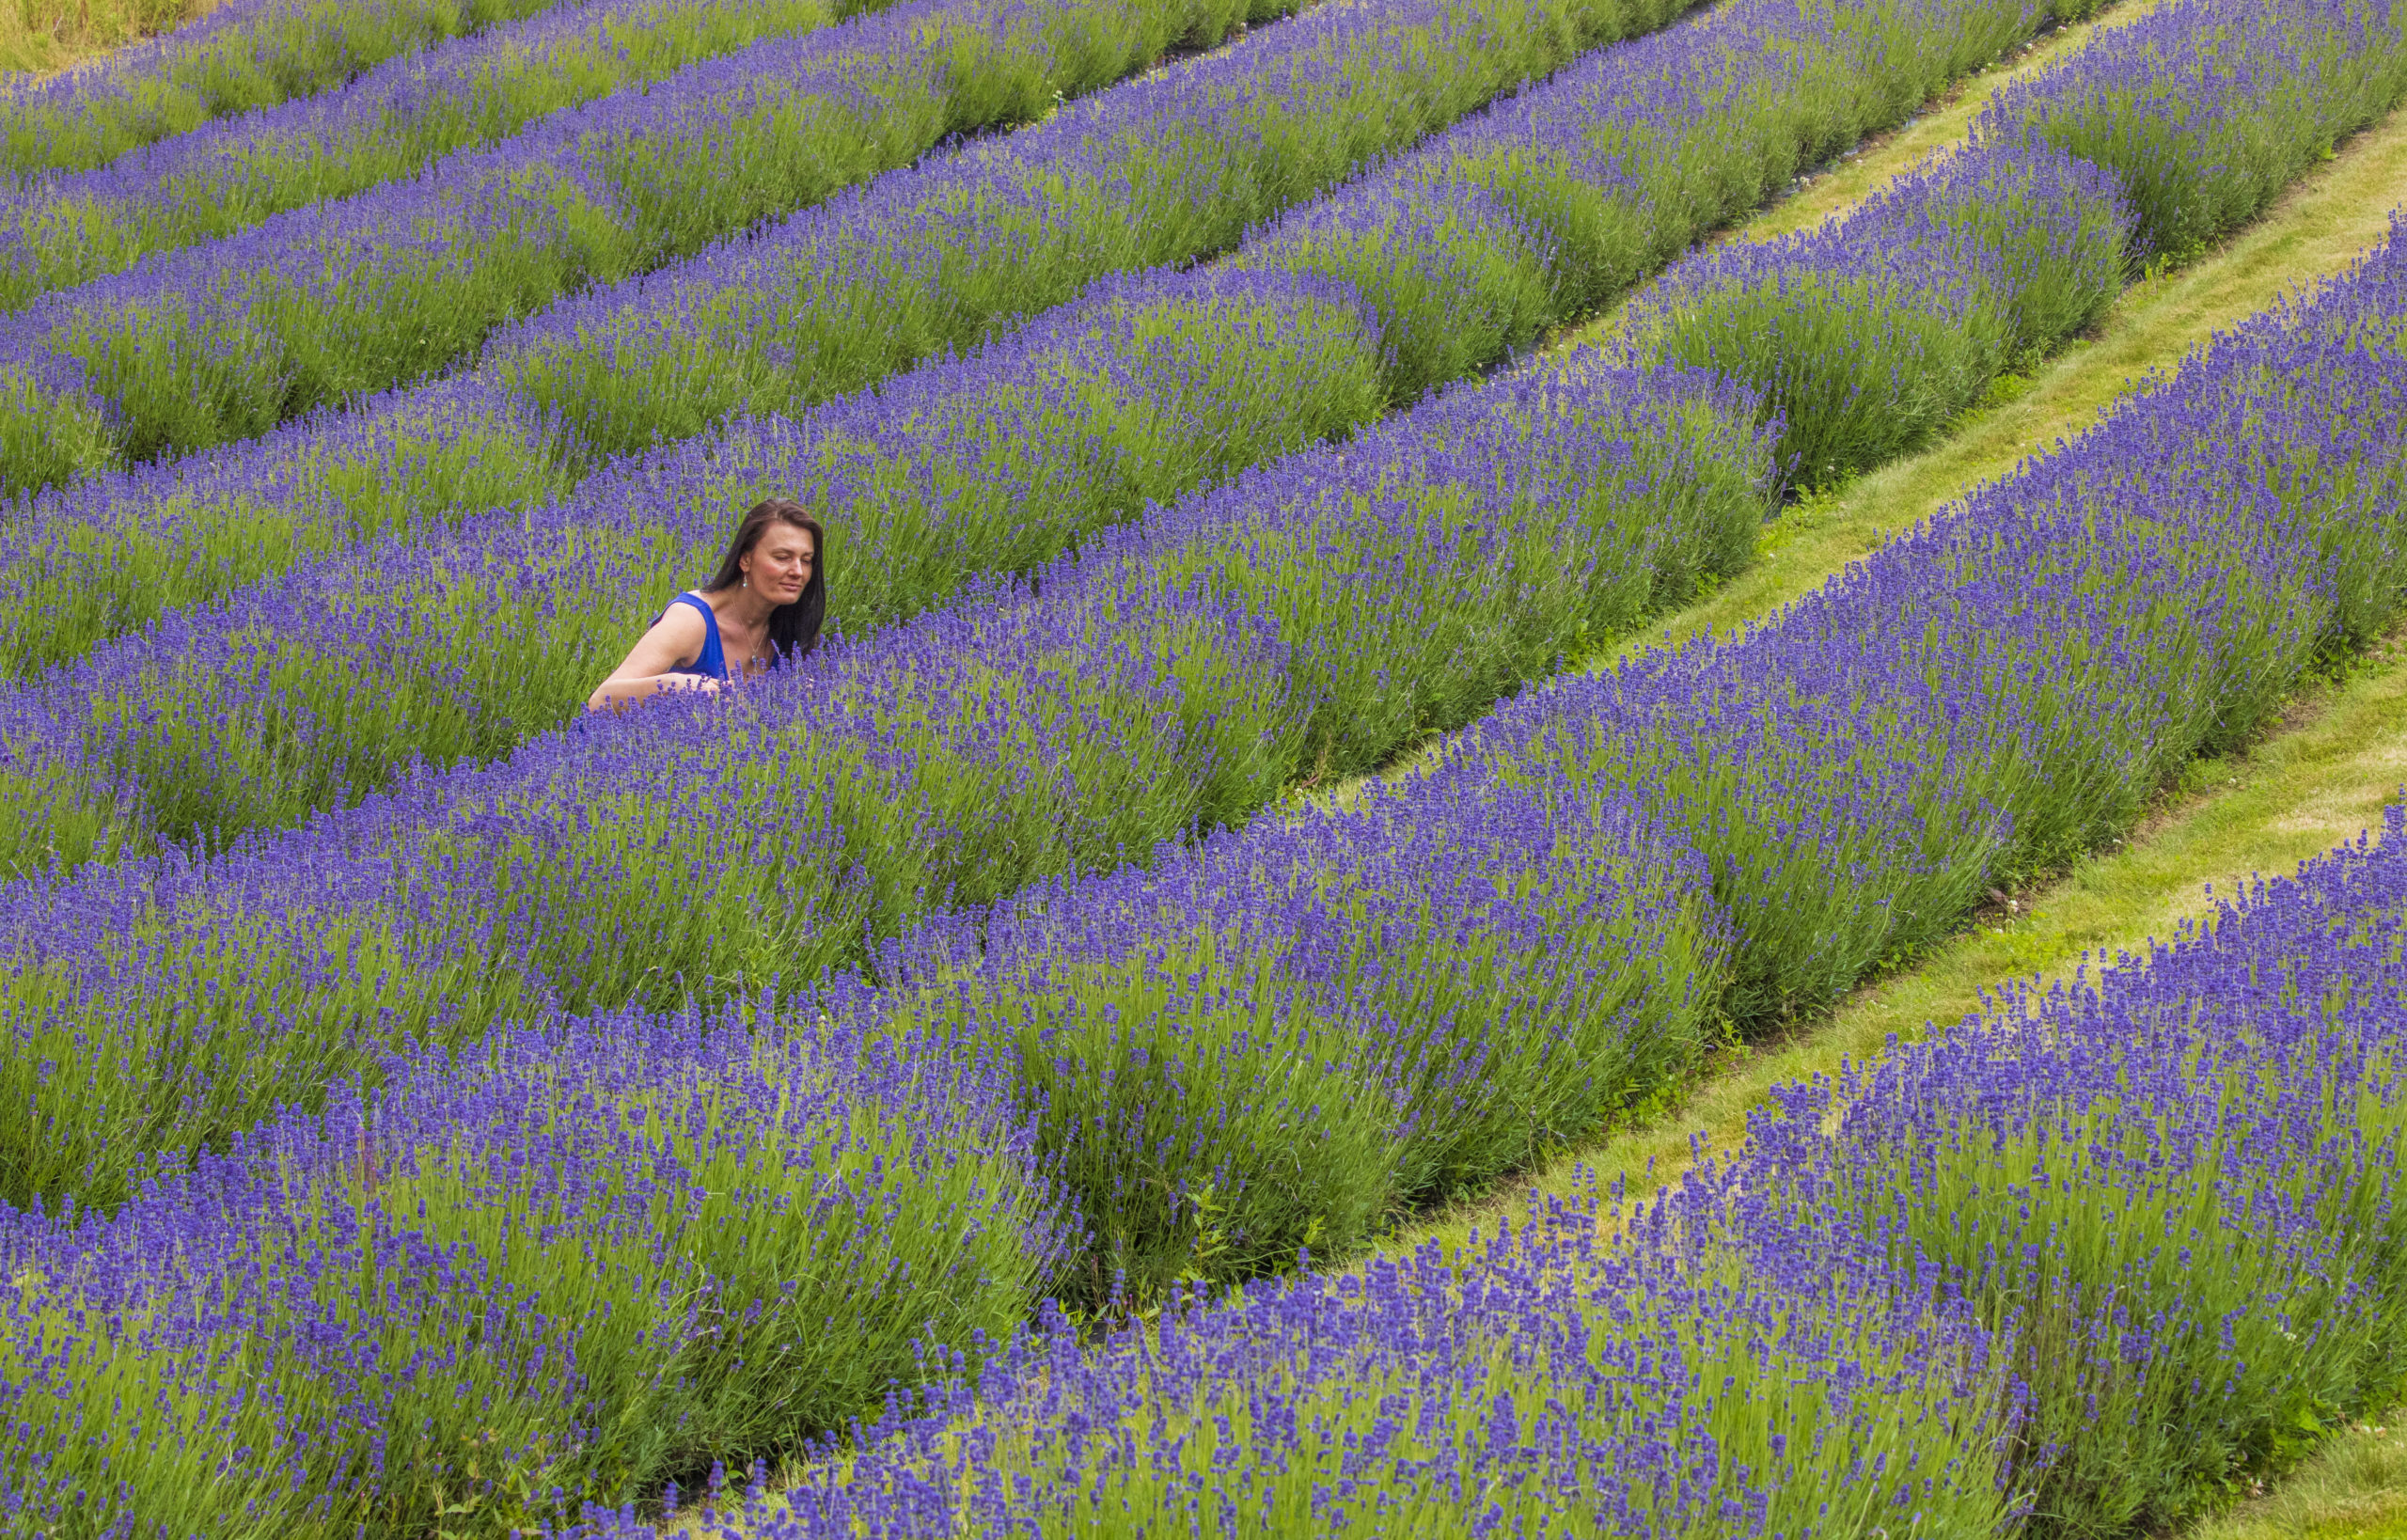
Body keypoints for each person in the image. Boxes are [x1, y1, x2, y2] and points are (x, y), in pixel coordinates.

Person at [587, 498, 826, 711]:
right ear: (745, 560)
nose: (798, 571)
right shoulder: (692, 620)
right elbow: (600, 700)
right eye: (782, 558)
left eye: (806, 560)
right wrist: (672, 687)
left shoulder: (791, 627)